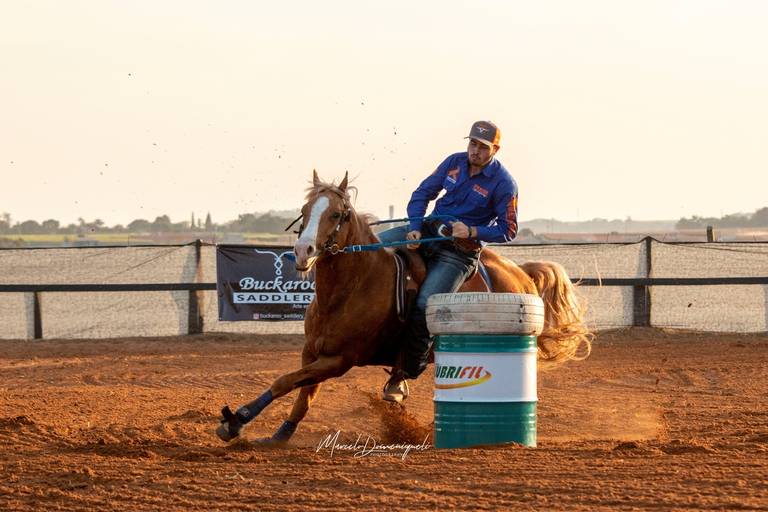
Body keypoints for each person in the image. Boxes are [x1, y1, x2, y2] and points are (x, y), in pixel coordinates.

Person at [378, 120, 519, 403]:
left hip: (459, 253)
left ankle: (403, 374)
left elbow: (509, 230)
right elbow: (422, 193)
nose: (475, 150)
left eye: (483, 147)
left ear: (495, 150)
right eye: (472, 143)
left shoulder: (504, 184)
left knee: (427, 303)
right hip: (428, 231)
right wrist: (415, 227)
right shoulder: (453, 162)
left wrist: (473, 231)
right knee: (373, 247)